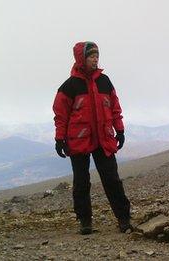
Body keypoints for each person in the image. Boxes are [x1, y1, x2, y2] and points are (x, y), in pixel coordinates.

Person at [52, 41, 133, 235]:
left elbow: (115, 108)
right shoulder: (69, 86)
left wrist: (119, 130)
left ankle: (124, 219)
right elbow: (60, 115)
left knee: (112, 179)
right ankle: (85, 222)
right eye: (91, 56)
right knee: (81, 182)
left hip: (103, 139)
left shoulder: (105, 81)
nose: (95, 59)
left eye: (97, 55)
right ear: (82, 58)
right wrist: (59, 139)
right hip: (78, 141)